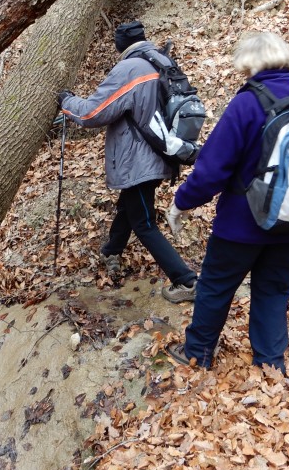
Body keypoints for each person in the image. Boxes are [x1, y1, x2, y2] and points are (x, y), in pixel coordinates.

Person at [164, 30, 289, 372]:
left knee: (215, 287)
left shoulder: (246, 104)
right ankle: (270, 366)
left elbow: (212, 170)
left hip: (240, 227)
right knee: (273, 291)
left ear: (250, 65)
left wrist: (181, 203)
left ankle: (197, 353)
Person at [58, 21, 199, 303]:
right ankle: (112, 250)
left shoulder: (129, 69)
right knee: (130, 206)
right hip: (159, 152)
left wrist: (67, 101)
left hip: (139, 158)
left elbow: (93, 114)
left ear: (120, 44)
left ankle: (186, 280)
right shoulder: (161, 60)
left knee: (144, 222)